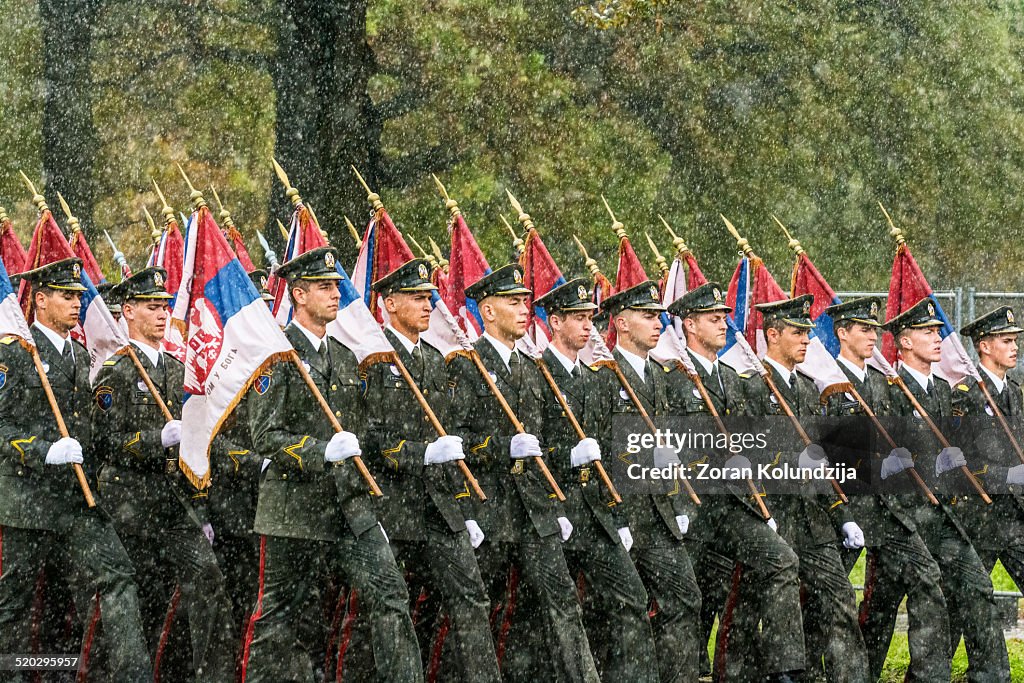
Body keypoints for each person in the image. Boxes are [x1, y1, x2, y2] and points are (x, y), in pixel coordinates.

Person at [242, 246, 422, 682]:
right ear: (299, 294)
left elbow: (365, 429)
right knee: (280, 620)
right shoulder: (275, 353)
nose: (335, 293)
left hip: (348, 505)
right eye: (324, 287)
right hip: (293, 509)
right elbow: (265, 436)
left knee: (390, 594)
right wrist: (319, 451)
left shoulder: (345, 356)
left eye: (336, 285)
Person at [0, 258, 151, 682]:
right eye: (66, 296)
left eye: (78, 296)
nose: (76, 303)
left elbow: (93, 430)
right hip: (27, 500)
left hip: (75, 497)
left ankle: (130, 676)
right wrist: (43, 450)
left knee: (118, 576)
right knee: (17, 602)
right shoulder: (15, 350)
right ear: (40, 299)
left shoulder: (80, 354)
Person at [447, 263, 599, 682]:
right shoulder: (466, 365)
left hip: (534, 508)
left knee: (559, 601)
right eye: (512, 302)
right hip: (488, 504)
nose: (523, 310)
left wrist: (557, 499)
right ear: (488, 311)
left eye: (524, 302)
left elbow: (544, 444)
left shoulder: (533, 369)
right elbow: (453, 441)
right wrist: (496, 450)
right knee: (483, 608)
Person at [91, 266, 237, 681]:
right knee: (140, 601)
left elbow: (194, 448)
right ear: (128, 311)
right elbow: (106, 444)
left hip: (174, 506)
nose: (161, 314)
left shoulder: (177, 370)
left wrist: (202, 507)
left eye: (165, 307)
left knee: (208, 582)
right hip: (130, 506)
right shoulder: (114, 373)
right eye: (152, 307)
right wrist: (156, 438)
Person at [363, 258, 500, 681]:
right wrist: (420, 453)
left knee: (471, 597)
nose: (428, 305)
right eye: (418, 298)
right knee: (386, 609)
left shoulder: (435, 360)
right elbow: (370, 438)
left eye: (429, 296)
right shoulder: (372, 358)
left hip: (441, 506)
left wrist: (466, 505)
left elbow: (451, 433)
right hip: (392, 504)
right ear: (389, 303)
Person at [664, 282, 805, 682]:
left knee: (781, 561)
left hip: (730, 508)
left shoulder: (732, 378)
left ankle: (784, 671)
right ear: (689, 325)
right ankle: (682, 672)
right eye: (714, 319)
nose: (724, 325)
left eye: (724, 317)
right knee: (690, 598)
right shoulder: (672, 379)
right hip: (690, 505)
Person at [533, 278, 658, 682]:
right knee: (561, 608)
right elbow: (529, 447)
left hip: (593, 511)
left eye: (590, 318)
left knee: (632, 597)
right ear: (555, 322)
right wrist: (563, 459)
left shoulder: (592, 378)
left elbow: (606, 452)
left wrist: (617, 515)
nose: (588, 327)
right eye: (578, 318)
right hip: (554, 508)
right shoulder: (538, 373)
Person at [739, 295, 868, 682]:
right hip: (773, 512)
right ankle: (783, 675)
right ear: (772, 335)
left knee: (840, 599)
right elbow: (745, 455)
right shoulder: (754, 387)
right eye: (797, 332)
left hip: (813, 519)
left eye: (807, 333)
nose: (806, 340)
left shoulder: (809, 390)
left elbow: (821, 462)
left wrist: (843, 517)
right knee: (759, 611)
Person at [822, 297, 951, 681]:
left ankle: (928, 677)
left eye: (875, 329)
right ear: (842, 333)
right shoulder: (826, 384)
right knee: (825, 601)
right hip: (846, 506)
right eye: (863, 329)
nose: (872, 336)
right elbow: (826, 455)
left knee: (926, 579)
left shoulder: (885, 385)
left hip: (889, 509)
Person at [881, 297, 1010, 680]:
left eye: (938, 331)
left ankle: (989, 675)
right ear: (904, 342)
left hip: (941, 514)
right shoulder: (890, 390)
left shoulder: (941, 389)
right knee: (887, 606)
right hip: (901, 515)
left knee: (977, 587)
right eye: (927, 332)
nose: (938, 338)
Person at [591, 280, 702, 682]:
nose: (659, 324)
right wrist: (613, 515)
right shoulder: (603, 376)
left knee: (685, 598)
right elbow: (597, 449)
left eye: (659, 316)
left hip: (659, 514)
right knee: (626, 609)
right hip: (620, 512)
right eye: (648, 316)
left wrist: (681, 505)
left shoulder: (661, 376)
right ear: (620, 322)